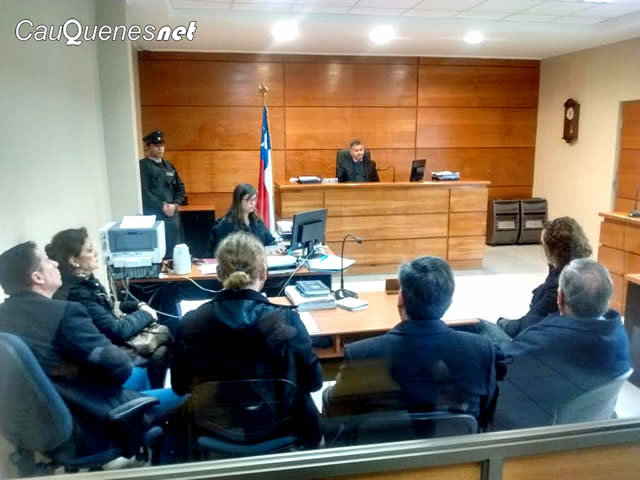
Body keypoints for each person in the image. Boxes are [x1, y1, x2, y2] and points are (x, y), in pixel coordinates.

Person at [0, 242, 184, 433]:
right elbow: (120, 366)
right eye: (47, 261)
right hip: (89, 411)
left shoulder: (4, 314)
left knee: (140, 374)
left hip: (50, 414)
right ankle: (140, 429)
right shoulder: (65, 312)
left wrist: (75, 369)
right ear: (37, 277)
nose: (55, 263)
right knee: (187, 397)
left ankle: (141, 429)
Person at [172, 232, 323, 448]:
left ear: (218, 273)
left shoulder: (191, 323)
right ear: (264, 272)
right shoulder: (287, 320)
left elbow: (179, 386)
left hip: (213, 429)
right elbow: (314, 382)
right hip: (280, 428)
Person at [323, 256, 499, 430]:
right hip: (456, 445)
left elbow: (336, 410)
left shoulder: (361, 354)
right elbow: (487, 412)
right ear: (449, 303)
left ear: (400, 299)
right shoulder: (481, 349)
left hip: (382, 445)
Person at [493, 259, 631, 430]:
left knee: (485, 329)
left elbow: (499, 370)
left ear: (560, 298)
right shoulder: (619, 337)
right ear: (607, 299)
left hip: (538, 433)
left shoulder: (543, 343)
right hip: (587, 426)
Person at [47, 227, 171, 388]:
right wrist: (146, 314)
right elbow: (116, 331)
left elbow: (108, 307)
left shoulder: (85, 281)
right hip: (102, 358)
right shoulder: (77, 293)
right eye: (90, 250)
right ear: (73, 261)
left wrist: (138, 305)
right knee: (162, 345)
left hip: (105, 346)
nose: (96, 253)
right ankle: (153, 395)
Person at [462, 216, 593, 346]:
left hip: (537, 343)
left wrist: (507, 325)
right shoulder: (590, 273)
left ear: (554, 251)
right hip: (562, 335)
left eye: (544, 246)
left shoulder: (558, 286)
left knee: (482, 326)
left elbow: (528, 326)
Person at [139, 129, 185, 258]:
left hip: (172, 216)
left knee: (176, 252)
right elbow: (144, 192)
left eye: (162, 145)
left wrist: (176, 204)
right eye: (156, 145)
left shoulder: (169, 166)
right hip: (155, 216)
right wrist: (161, 206)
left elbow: (180, 188)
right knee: (158, 252)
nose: (160, 148)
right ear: (148, 146)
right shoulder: (143, 166)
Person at [209, 183, 282, 256]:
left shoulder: (257, 221)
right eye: (248, 200)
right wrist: (261, 251)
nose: (253, 203)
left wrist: (274, 249)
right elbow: (228, 253)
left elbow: (270, 241)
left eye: (254, 199)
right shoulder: (226, 225)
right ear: (238, 201)